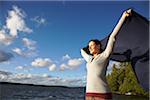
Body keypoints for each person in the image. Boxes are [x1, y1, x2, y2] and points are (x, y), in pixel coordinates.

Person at [81, 9, 131, 100]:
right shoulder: (89, 59)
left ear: (99, 46)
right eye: (89, 46)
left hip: (102, 94)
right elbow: (82, 51)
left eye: (92, 45)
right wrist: (84, 48)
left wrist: (123, 16)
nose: (90, 48)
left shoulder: (104, 56)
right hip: (88, 94)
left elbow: (112, 37)